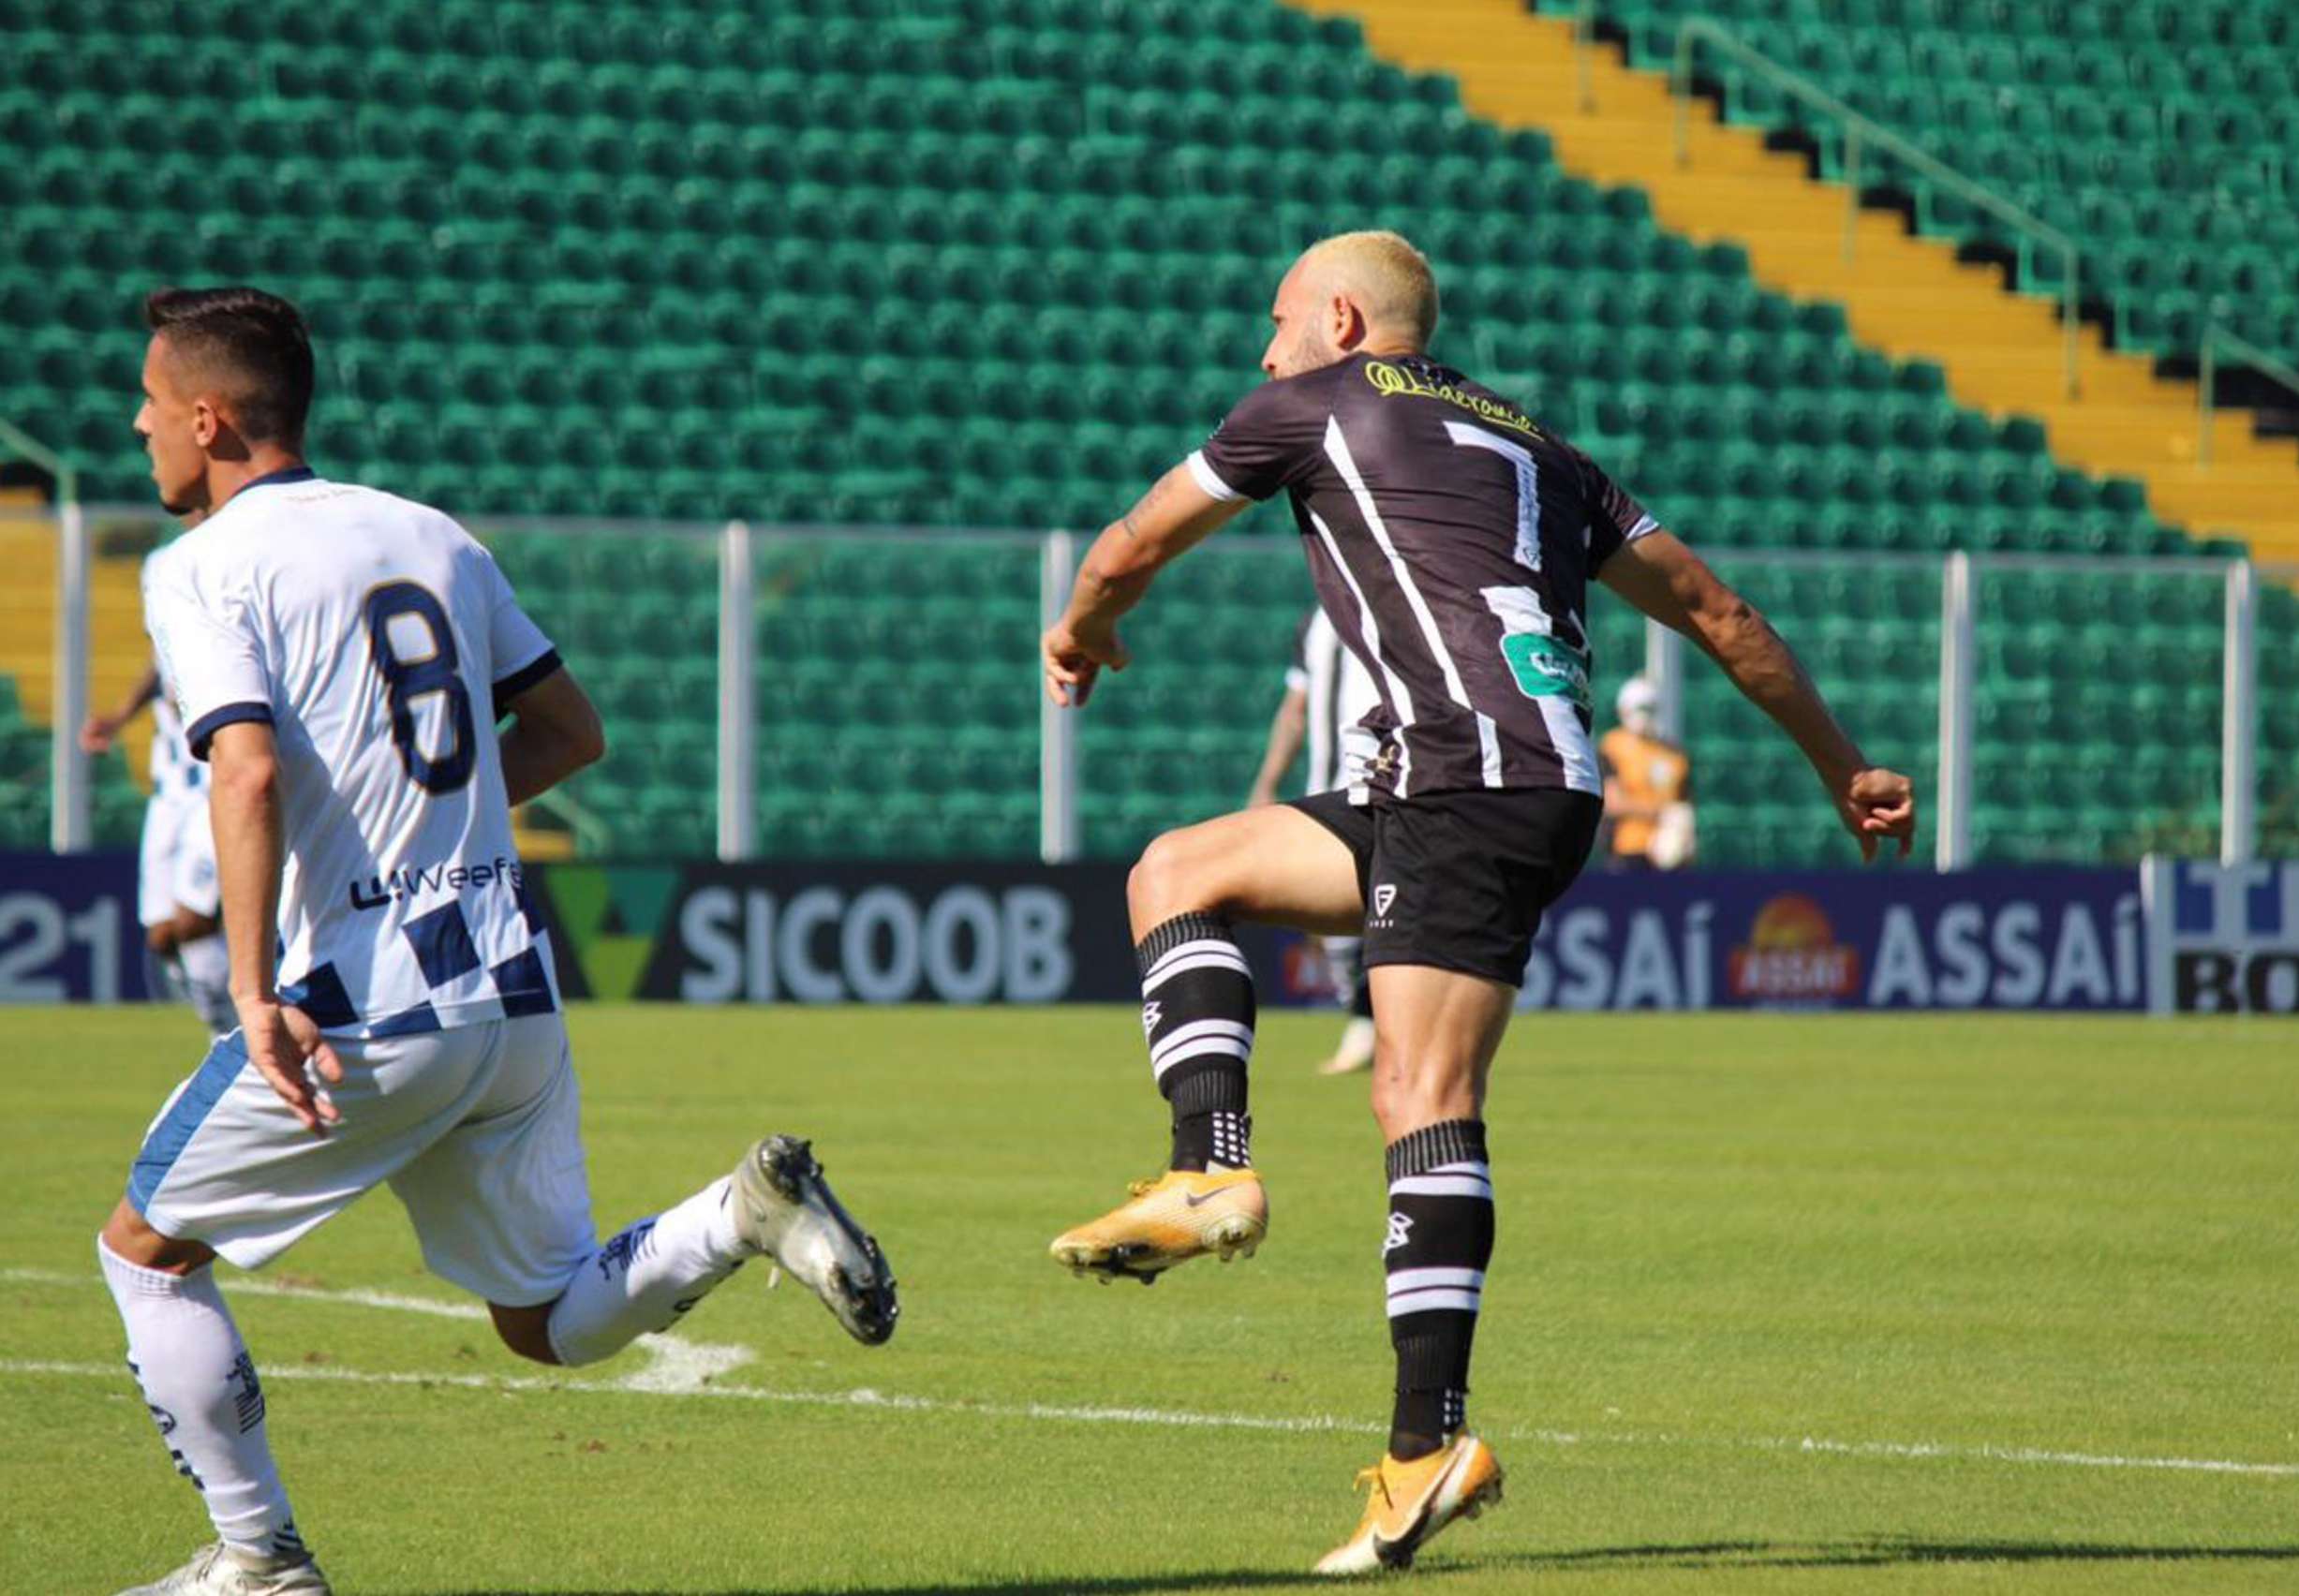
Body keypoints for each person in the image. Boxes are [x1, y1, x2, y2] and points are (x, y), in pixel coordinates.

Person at [1039, 231, 1913, 1574]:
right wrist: (1842, 766)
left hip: (1470, 781)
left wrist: (1084, 630)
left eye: (1276, 324)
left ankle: (1423, 1449)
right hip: (1469, 780)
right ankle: (1213, 1166)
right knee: (1179, 870)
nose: (1262, 354)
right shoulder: (1544, 448)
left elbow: (1129, 544)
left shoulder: (1307, 405)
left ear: (1339, 318)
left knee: (1422, 1095)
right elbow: (1723, 615)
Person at [100, 287, 899, 1596]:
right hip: (508, 988)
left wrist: (251, 990)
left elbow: (240, 774)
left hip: (361, 1000)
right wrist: (420, 826)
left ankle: (259, 1560)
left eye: (148, 400)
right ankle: (737, 1216)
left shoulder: (199, 567)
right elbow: (572, 733)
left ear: (210, 415)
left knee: (143, 1252)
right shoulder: (432, 534)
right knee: (543, 1324)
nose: (136, 426)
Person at [83, 521, 238, 1033]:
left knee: (192, 922)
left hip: (212, 774)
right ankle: (227, 1031)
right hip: (169, 782)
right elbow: (160, 663)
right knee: (161, 934)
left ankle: (234, 1046)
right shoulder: (162, 562)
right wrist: (121, 714)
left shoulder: (238, 555)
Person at [1244, 606, 1379, 1074]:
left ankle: (1372, 1024)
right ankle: (1367, 1021)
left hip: (1387, 781)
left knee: (1378, 907)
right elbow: (1295, 710)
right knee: (1340, 916)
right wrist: (1267, 782)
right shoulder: (1316, 621)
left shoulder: (1402, 597)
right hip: (1329, 787)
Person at [1599, 675, 1696, 870]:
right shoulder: (1613, 746)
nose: (1644, 715)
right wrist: (1663, 813)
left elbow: (1685, 805)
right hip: (1628, 850)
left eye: (1649, 708)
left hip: (1668, 852)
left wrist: (1685, 837)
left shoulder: (1674, 755)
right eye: (1639, 708)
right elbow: (1613, 803)